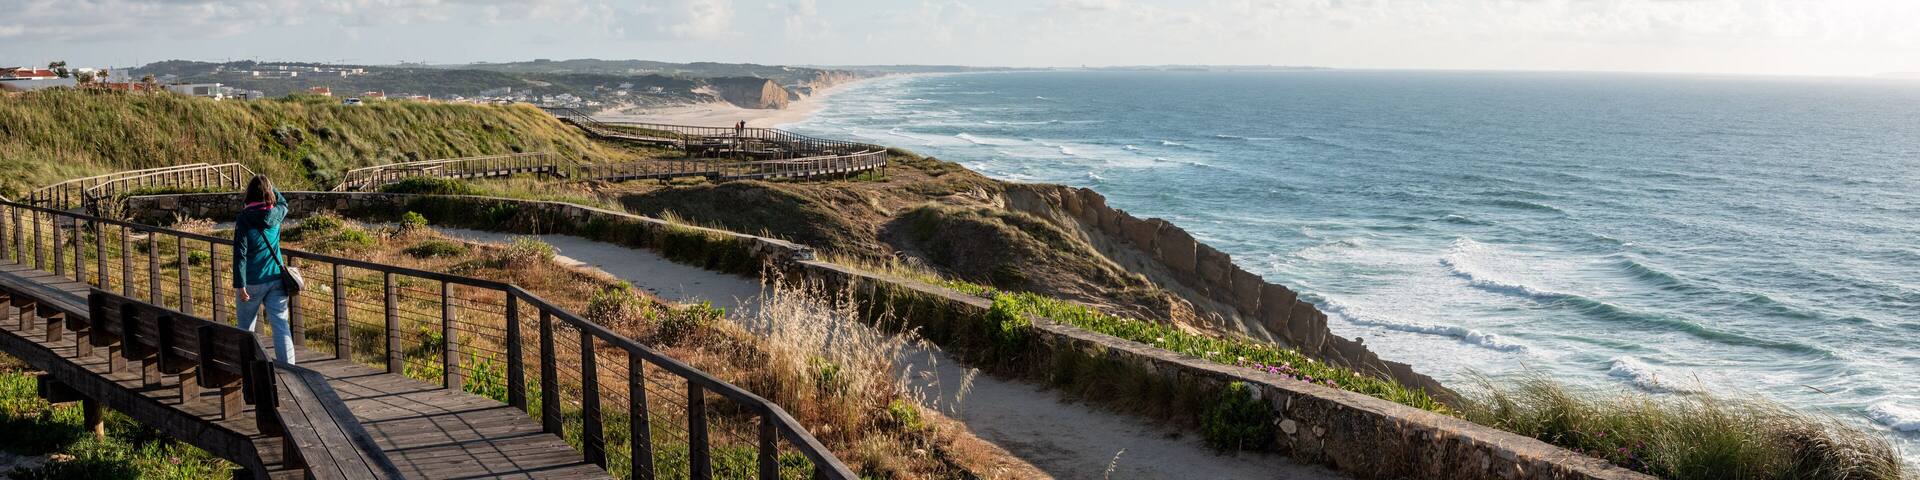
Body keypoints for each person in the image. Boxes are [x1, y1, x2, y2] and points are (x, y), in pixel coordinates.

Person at [233, 175, 295, 364]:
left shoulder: (244, 218)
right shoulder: (277, 212)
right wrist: (270, 186)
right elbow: (283, 201)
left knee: (246, 329)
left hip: (251, 282)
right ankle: (289, 369)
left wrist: (240, 285)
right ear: (267, 193)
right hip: (276, 279)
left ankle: (249, 368)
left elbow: (240, 254)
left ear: (249, 194)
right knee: (281, 326)